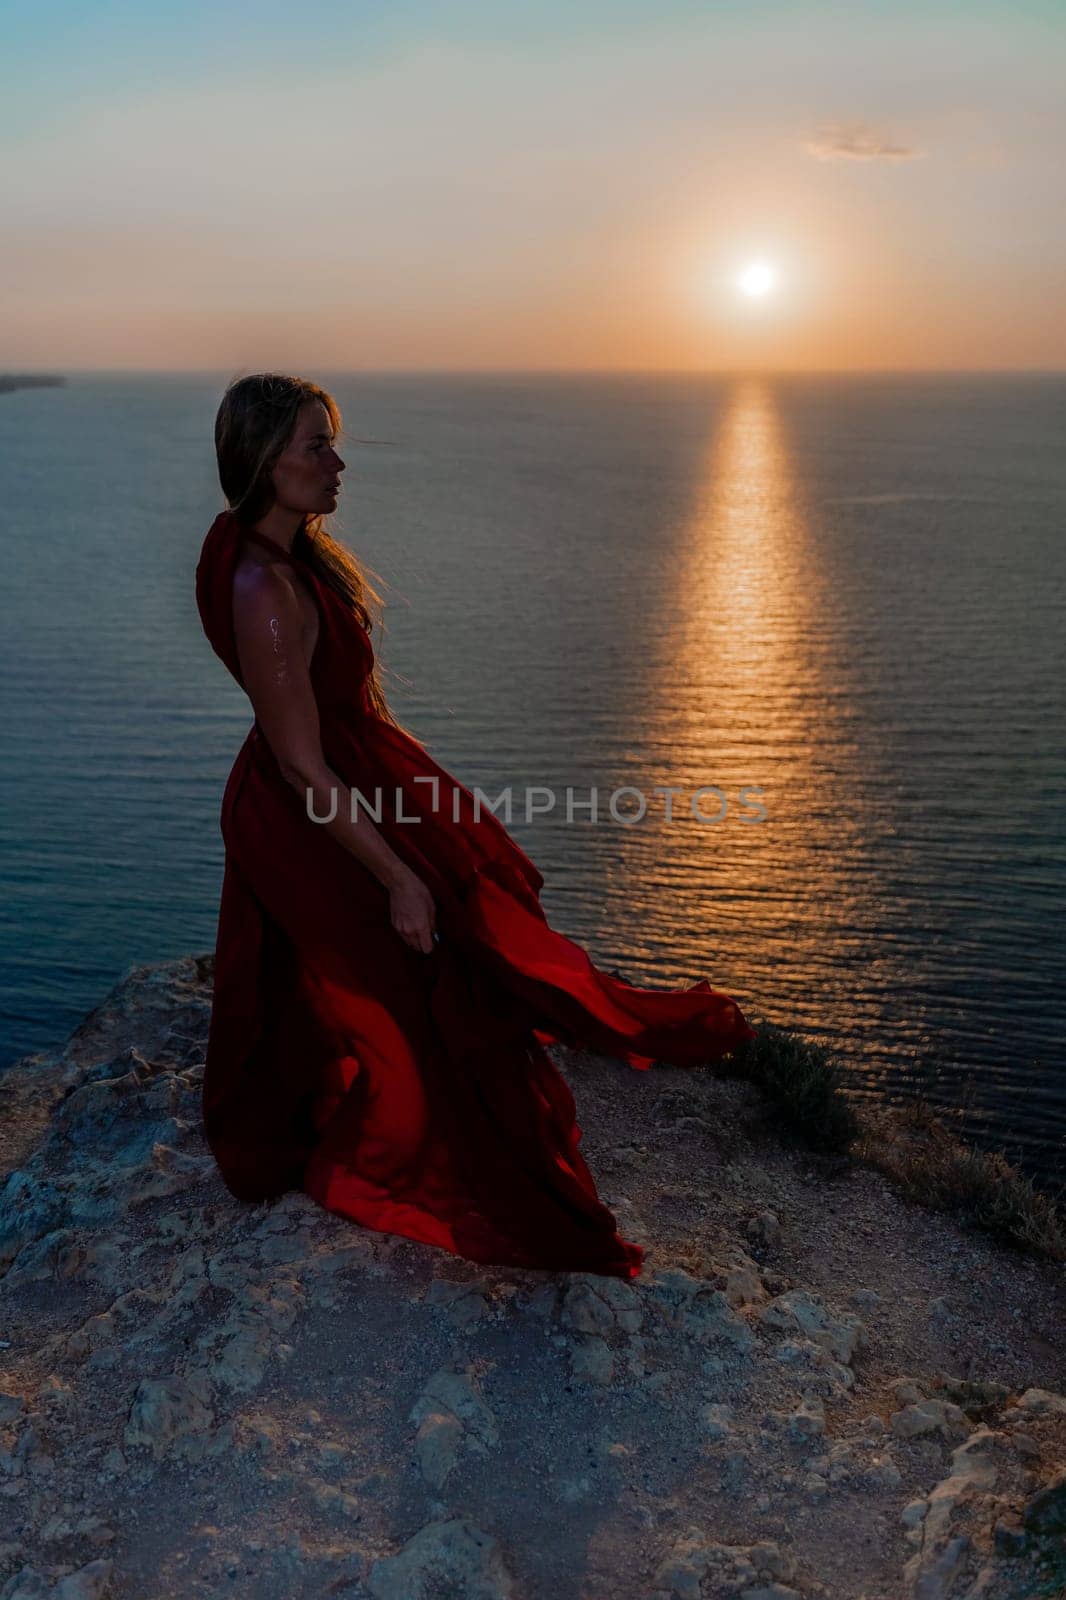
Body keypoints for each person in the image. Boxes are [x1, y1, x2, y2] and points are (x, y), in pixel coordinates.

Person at [195, 371, 756, 1280]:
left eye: (334, 442)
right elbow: (303, 763)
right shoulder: (264, 585)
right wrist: (399, 876)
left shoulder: (274, 555)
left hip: (341, 790)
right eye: (316, 446)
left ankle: (363, 1121)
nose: (338, 464)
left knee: (433, 966)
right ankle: (462, 1177)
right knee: (435, 989)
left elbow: (321, 729)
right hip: (314, 812)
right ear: (265, 461)